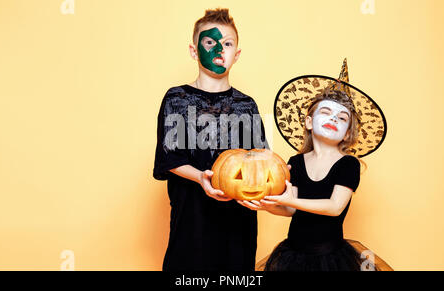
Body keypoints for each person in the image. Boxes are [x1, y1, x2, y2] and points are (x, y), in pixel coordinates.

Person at [239, 59, 387, 271]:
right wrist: (269, 205)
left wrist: (292, 200)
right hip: (294, 254)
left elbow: (335, 207)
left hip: (330, 256)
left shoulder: (348, 164)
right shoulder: (296, 162)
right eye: (326, 113)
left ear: (347, 134)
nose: (333, 118)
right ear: (309, 122)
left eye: (342, 117)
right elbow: (290, 208)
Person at [153, 8, 268, 271]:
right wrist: (201, 178)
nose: (219, 50)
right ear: (194, 51)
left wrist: (280, 175)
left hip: (238, 224)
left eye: (227, 44)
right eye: (209, 42)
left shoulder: (245, 104)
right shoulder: (177, 98)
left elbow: (258, 160)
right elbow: (169, 157)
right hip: (191, 221)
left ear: (236, 55)